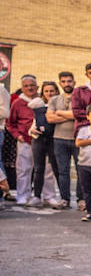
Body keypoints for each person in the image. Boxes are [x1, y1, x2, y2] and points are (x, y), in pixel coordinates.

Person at [25, 80, 62, 208]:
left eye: (52, 91)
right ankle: (36, 196)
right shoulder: (39, 106)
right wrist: (32, 131)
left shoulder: (61, 105)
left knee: (56, 169)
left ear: (57, 91)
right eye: (46, 91)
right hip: (39, 139)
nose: (49, 93)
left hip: (55, 139)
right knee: (38, 168)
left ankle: (58, 197)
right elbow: (34, 123)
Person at [7, 75, 39, 206]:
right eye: (26, 86)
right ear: (22, 88)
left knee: (43, 170)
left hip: (41, 142)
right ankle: (22, 195)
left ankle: (42, 195)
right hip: (24, 140)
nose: (29, 88)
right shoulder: (17, 103)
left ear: (37, 87)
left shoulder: (41, 101)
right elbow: (10, 123)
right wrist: (17, 135)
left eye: (32, 85)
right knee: (24, 169)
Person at [48, 72, 77, 208]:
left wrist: (59, 113)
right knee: (62, 171)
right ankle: (65, 199)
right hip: (59, 139)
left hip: (77, 138)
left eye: (69, 81)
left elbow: (80, 115)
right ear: (60, 83)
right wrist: (70, 116)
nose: (67, 84)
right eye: (64, 81)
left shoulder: (79, 98)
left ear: (74, 82)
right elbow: (49, 118)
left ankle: (81, 200)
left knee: (80, 170)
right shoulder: (54, 100)